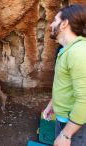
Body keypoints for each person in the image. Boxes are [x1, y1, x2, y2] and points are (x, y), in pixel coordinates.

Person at [43, 4, 86, 146]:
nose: (51, 24)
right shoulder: (67, 50)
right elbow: (65, 84)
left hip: (75, 128)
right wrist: (52, 104)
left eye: (55, 20)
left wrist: (66, 135)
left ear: (64, 24)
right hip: (64, 120)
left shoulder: (79, 52)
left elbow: (84, 100)